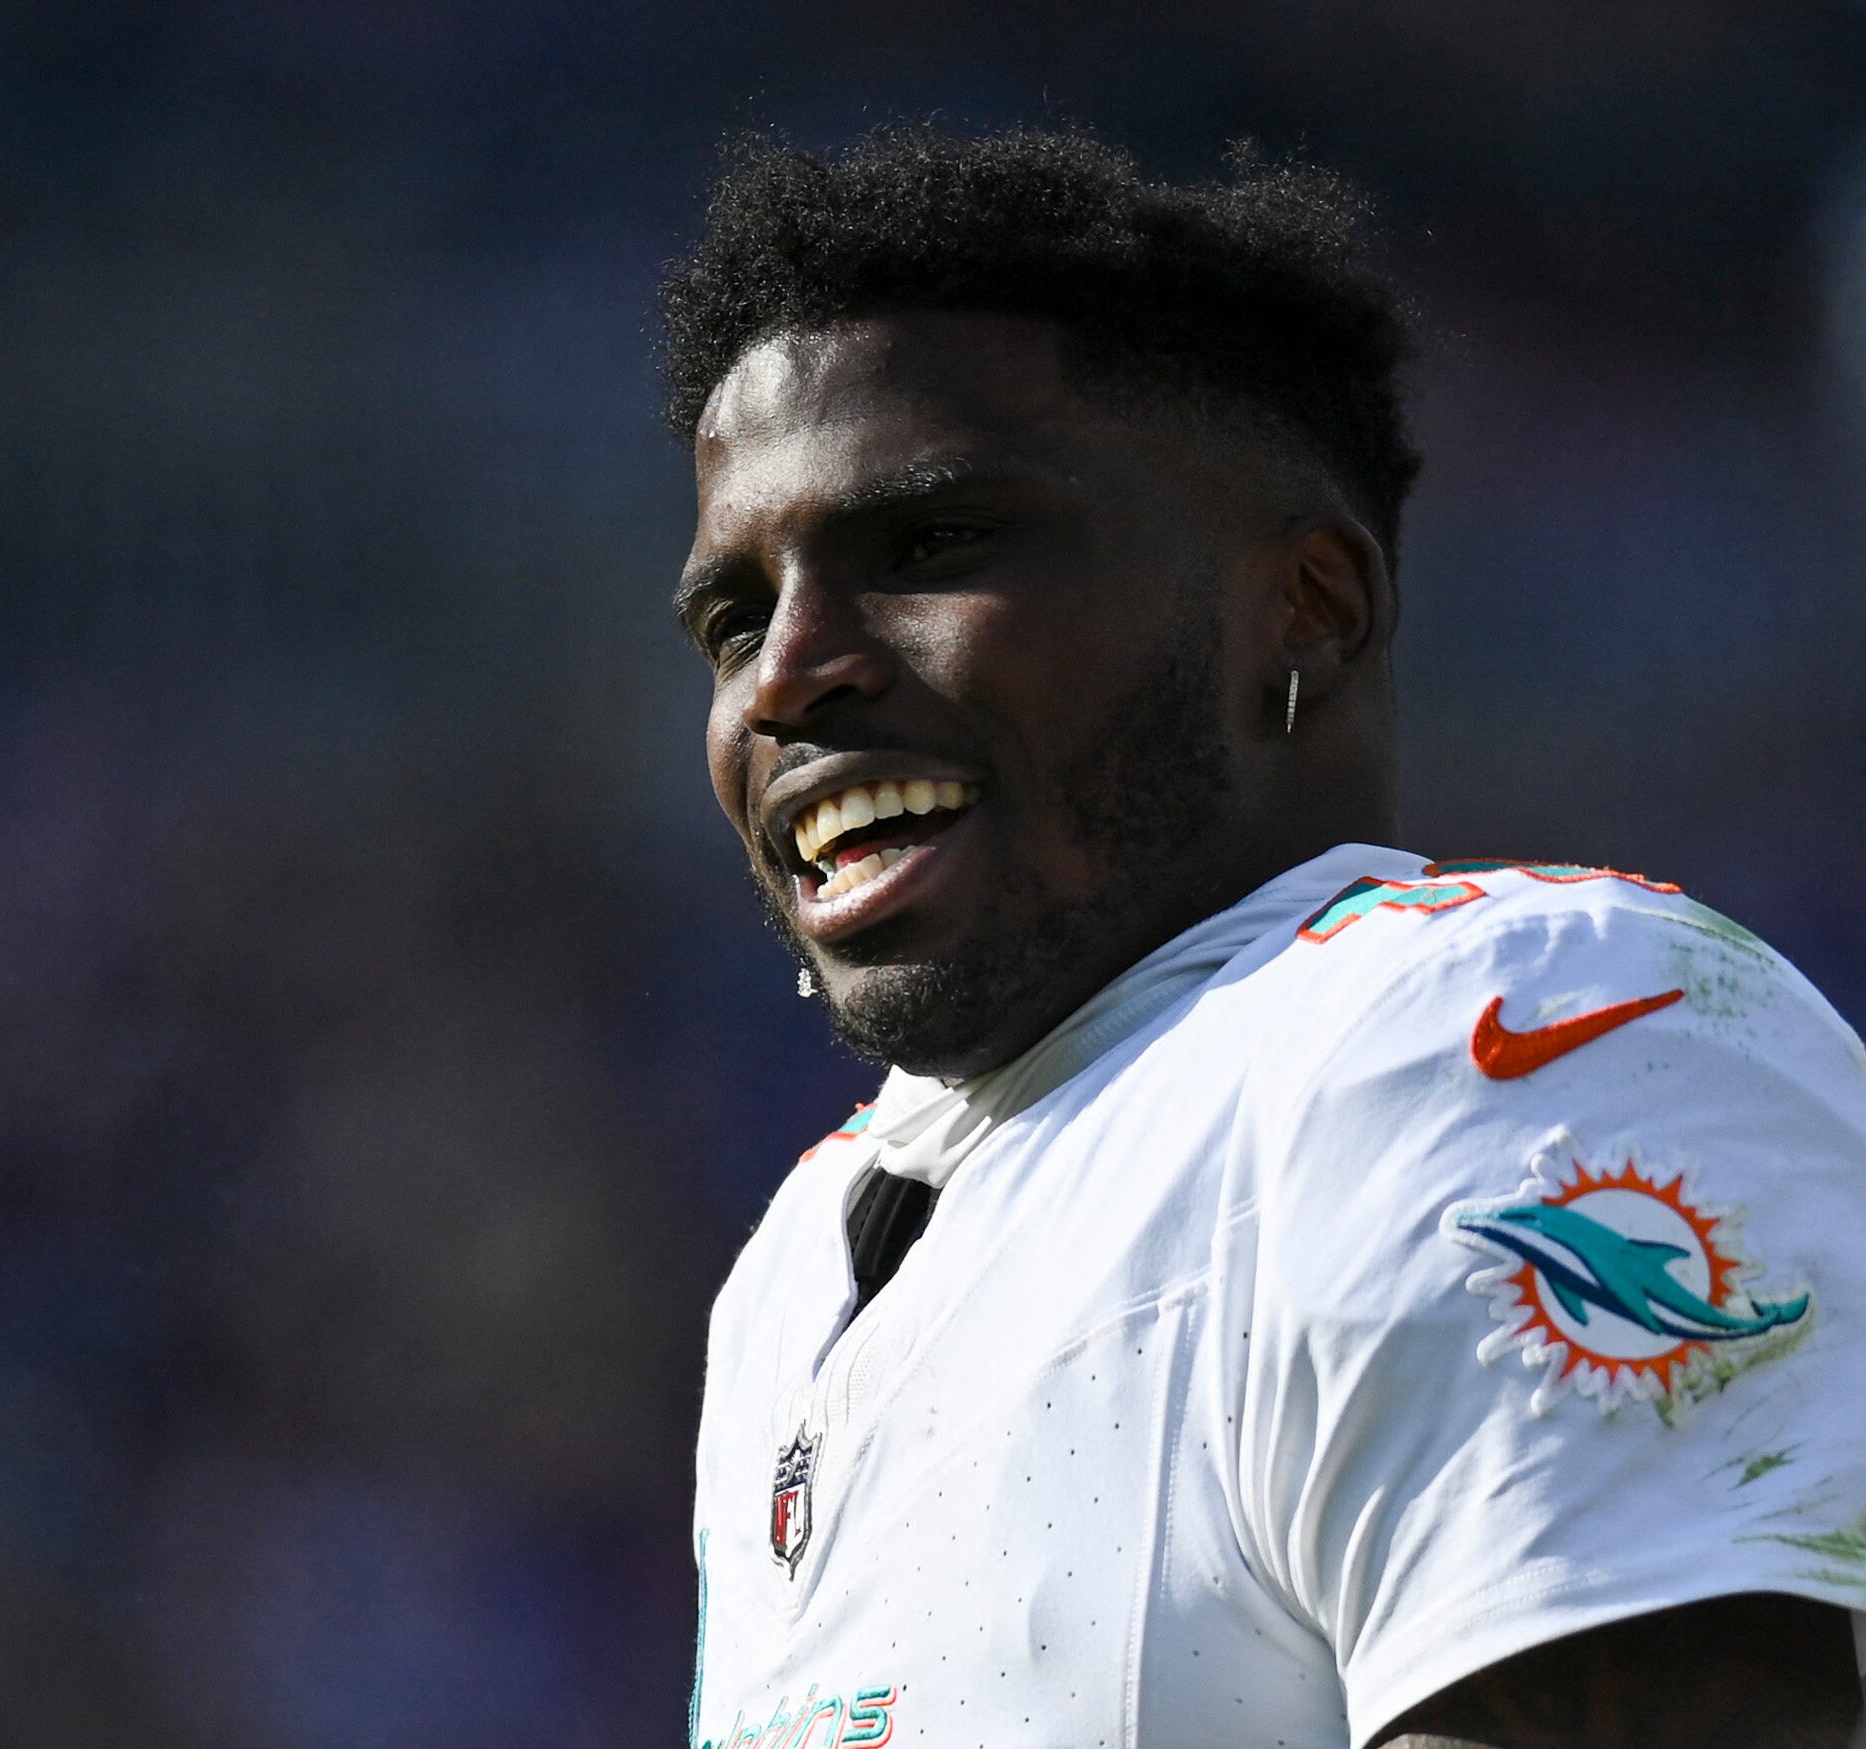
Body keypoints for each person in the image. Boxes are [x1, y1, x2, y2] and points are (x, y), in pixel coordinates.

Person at [662, 125, 1866, 1748]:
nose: (788, 674)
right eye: (735, 616)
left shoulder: (1501, 1033)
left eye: (932, 544)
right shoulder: (797, 1268)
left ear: (1308, 606)